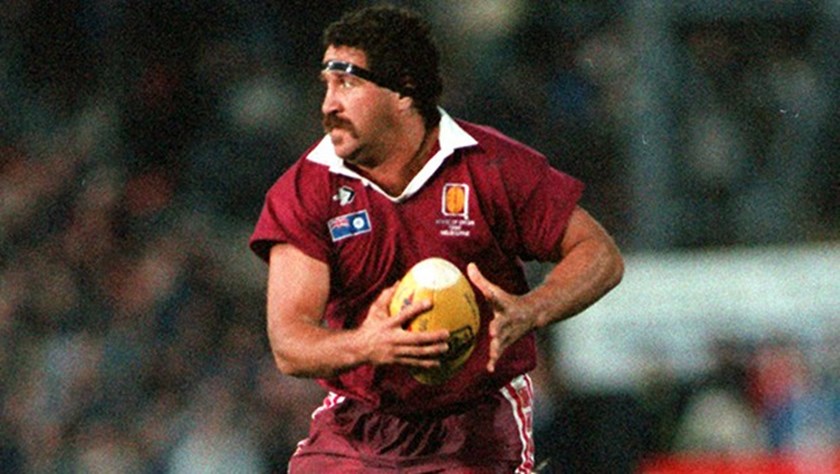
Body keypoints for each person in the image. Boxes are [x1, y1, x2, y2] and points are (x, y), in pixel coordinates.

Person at [249, 5, 624, 473]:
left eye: (347, 84)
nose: (329, 104)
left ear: (404, 90)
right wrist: (366, 343)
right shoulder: (306, 189)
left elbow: (600, 254)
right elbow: (289, 342)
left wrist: (533, 309)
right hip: (360, 424)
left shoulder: (490, 166)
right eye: (327, 84)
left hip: (477, 422)